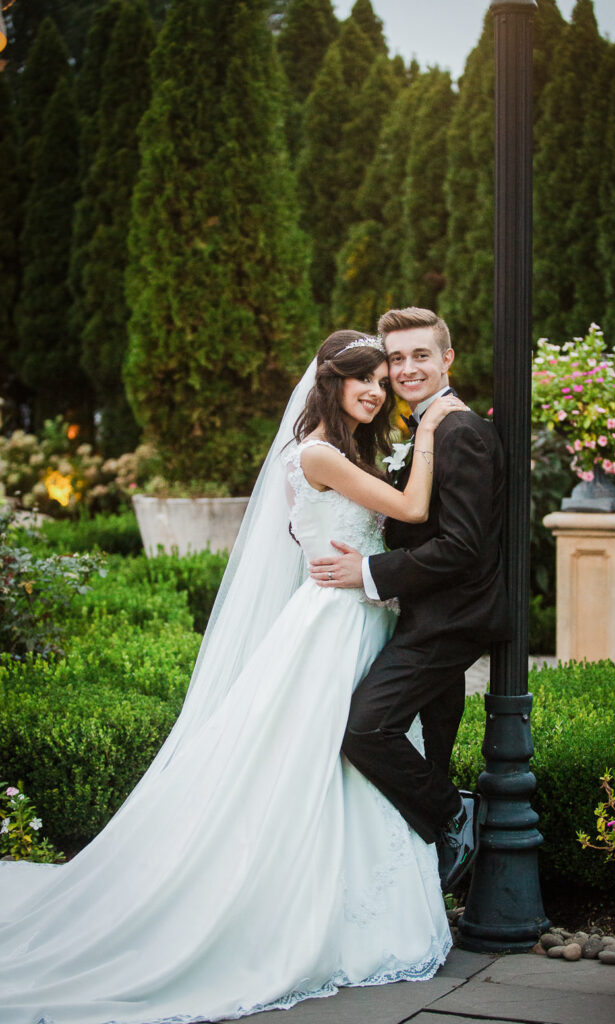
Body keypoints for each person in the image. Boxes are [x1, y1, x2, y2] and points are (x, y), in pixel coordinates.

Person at [0, 330, 463, 1024]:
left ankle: (363, 908)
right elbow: (411, 511)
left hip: (356, 616)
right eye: (360, 379)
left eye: (380, 379)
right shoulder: (316, 452)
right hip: (335, 625)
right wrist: (429, 431)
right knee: (326, 758)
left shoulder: (335, 450)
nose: (375, 389)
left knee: (350, 762)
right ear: (330, 383)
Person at [309, 307, 510, 893]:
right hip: (419, 613)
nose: (406, 368)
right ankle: (424, 884)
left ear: (447, 358)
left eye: (420, 354)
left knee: (367, 728)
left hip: (452, 618)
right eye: (396, 358)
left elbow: (463, 548)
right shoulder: (421, 428)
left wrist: (368, 570)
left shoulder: (461, 430)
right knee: (431, 739)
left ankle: (454, 814)